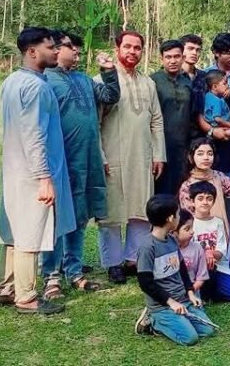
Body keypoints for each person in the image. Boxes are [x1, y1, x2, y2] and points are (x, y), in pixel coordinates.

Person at [0, 27, 74, 315]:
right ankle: (26, 296)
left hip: (14, 169)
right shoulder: (36, 87)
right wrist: (44, 178)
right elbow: (34, 135)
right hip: (33, 172)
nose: (56, 51)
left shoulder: (11, 81)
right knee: (29, 232)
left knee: (13, 231)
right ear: (32, 52)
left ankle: (4, 287)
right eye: (50, 47)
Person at [44, 31, 118, 291]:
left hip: (87, 159)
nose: (76, 50)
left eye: (77, 47)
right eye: (70, 46)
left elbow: (110, 96)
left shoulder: (84, 79)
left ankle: (74, 271)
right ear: (56, 49)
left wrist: (108, 71)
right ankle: (51, 275)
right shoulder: (45, 80)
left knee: (80, 215)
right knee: (56, 218)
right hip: (60, 161)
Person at [97, 30, 166, 285]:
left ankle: (133, 259)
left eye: (137, 48)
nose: (132, 52)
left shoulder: (148, 83)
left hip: (142, 156)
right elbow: (95, 124)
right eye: (127, 46)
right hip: (112, 155)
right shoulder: (101, 81)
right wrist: (100, 157)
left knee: (141, 209)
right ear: (117, 49)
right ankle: (113, 263)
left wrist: (159, 155)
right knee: (112, 212)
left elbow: (156, 120)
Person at [134, 195, 215, 346]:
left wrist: (190, 293)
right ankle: (152, 321)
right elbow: (145, 283)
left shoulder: (171, 240)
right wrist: (171, 303)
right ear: (170, 218)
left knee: (208, 329)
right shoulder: (148, 247)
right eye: (177, 214)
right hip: (162, 306)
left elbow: (182, 269)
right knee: (190, 338)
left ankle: (179, 319)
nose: (179, 217)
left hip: (183, 300)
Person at [151, 40, 194, 196]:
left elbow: (192, 115)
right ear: (161, 59)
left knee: (180, 189)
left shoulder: (187, 82)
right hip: (160, 146)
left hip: (182, 146)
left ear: (183, 58)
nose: (173, 61)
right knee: (159, 189)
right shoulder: (153, 81)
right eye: (168, 57)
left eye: (177, 56)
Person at [190, 181, 230, 303]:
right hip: (196, 268)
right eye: (200, 198)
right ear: (192, 201)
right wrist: (203, 256)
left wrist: (210, 254)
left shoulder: (218, 222)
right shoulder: (189, 223)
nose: (205, 202)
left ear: (213, 201)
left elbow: (221, 252)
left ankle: (211, 292)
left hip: (218, 266)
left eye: (209, 198)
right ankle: (204, 292)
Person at [178, 138, 230, 234]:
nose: (206, 158)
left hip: (221, 231)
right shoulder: (187, 185)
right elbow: (188, 215)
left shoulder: (219, 177)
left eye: (210, 154)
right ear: (191, 157)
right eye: (200, 154)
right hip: (199, 233)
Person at [174, 209, 208, 295]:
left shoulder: (198, 249)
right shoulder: (167, 250)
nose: (192, 232)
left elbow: (201, 277)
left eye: (192, 227)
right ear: (174, 232)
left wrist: (191, 290)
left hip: (192, 290)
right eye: (187, 229)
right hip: (172, 291)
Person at [179, 33, 207, 123]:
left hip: (202, 127)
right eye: (190, 48)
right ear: (181, 50)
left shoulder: (204, 76)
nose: (194, 53)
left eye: (198, 50)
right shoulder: (173, 76)